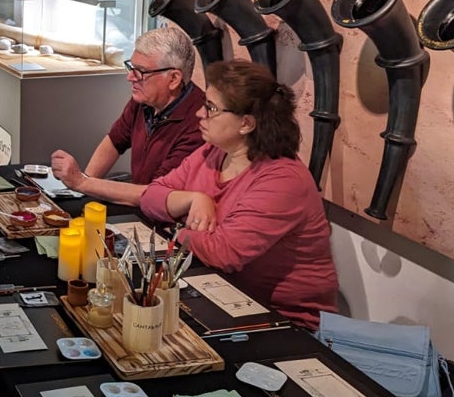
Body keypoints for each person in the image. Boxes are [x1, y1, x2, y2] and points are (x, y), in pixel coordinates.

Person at [139, 59, 338, 329]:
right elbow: (152, 194)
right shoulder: (214, 152)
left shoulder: (282, 179)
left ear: (246, 123)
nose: (199, 114)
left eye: (210, 108)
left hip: (283, 321)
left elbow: (224, 252)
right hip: (221, 293)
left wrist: (173, 228)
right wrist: (194, 198)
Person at [51, 26, 205, 205]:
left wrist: (82, 183)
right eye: (131, 67)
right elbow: (115, 141)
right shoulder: (144, 100)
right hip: (140, 200)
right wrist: (82, 188)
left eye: (140, 71)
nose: (130, 77)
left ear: (173, 79)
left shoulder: (198, 124)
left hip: (160, 214)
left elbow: (156, 194)